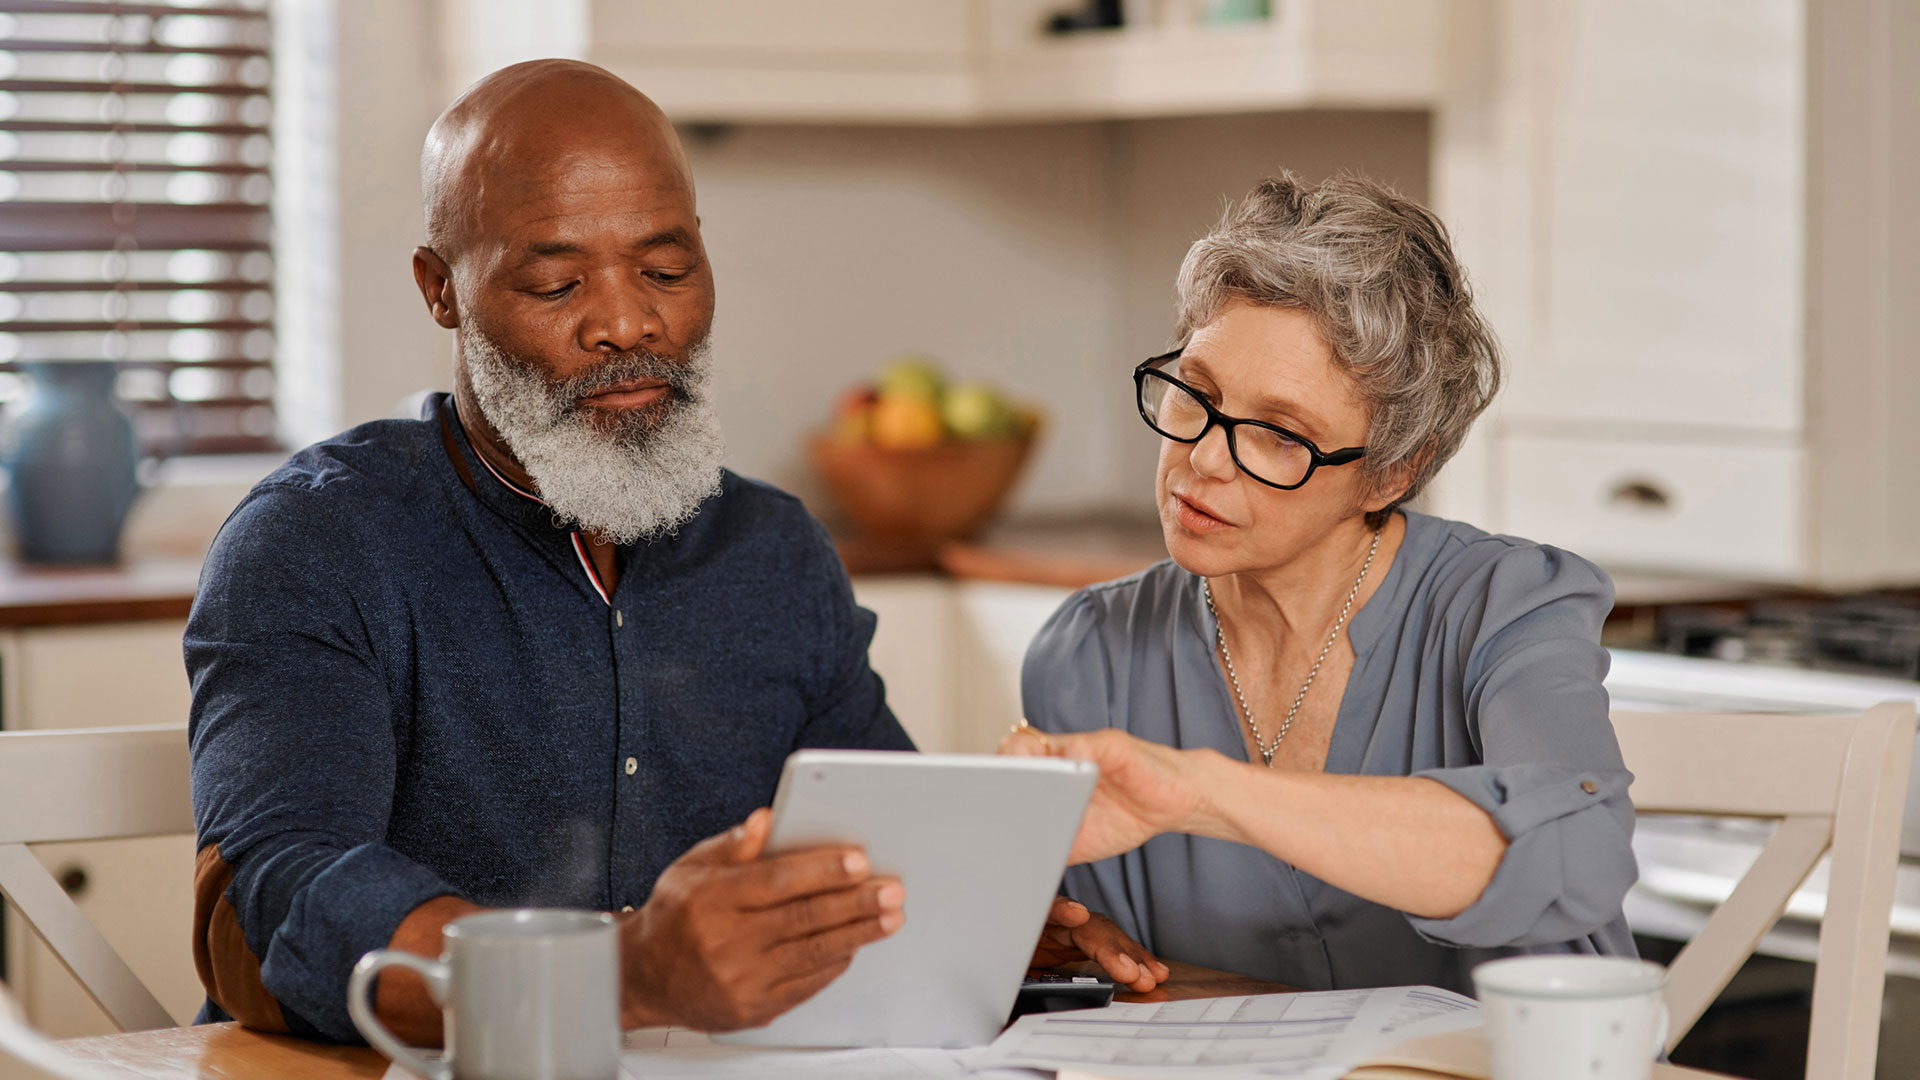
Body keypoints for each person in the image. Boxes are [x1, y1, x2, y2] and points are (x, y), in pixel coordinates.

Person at [185, 60, 928, 1045]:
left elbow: (887, 852)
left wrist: (998, 929)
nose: (628, 323)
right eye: (555, 282)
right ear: (441, 291)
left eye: (666, 271)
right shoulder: (317, 542)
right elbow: (277, 901)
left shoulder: (775, 553)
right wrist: (618, 975)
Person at [1001, 173, 1639, 996]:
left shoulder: (1506, 604)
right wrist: (1052, 941)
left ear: (1389, 474)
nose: (1200, 458)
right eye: (1195, 393)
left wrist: (1200, 792)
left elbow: (1577, 855)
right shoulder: (1090, 651)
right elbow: (1113, 981)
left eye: (1275, 434)